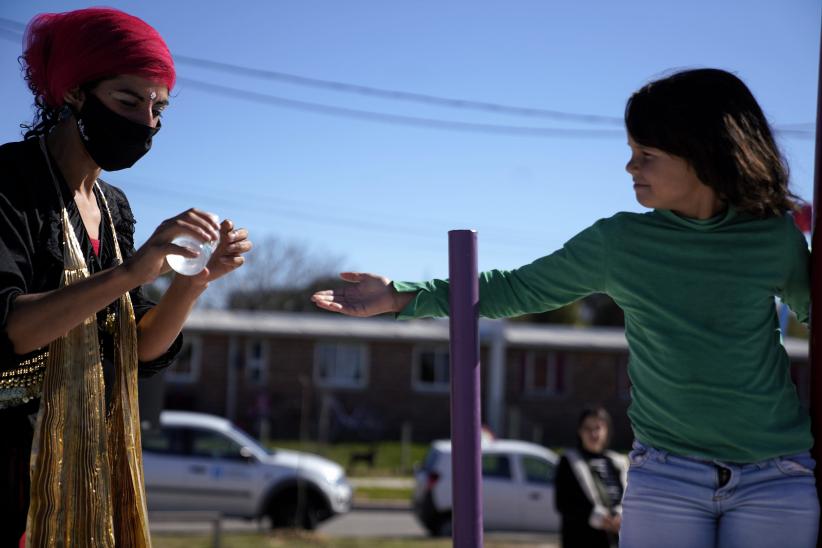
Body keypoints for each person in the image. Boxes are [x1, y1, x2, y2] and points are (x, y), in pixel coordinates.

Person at [312, 68, 819, 548]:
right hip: (667, 474)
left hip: (774, 475)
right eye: (630, 152)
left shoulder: (772, 238)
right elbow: (515, 288)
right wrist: (402, 295)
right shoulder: (619, 242)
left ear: (703, 155)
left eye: (646, 154)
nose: (630, 167)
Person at [0, 8, 252, 546]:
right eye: (128, 101)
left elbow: (137, 349)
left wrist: (192, 282)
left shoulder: (113, 207)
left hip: (86, 464)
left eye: (158, 107)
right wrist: (132, 270)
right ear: (72, 93)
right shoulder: (9, 183)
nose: (148, 123)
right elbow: (11, 331)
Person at [555, 407, 627, 548]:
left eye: (598, 428)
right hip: (582, 539)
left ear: (606, 430)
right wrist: (598, 518)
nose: (593, 434)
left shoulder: (618, 462)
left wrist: (620, 515)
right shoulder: (568, 461)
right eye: (588, 428)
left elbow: (629, 497)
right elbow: (562, 502)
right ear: (580, 431)